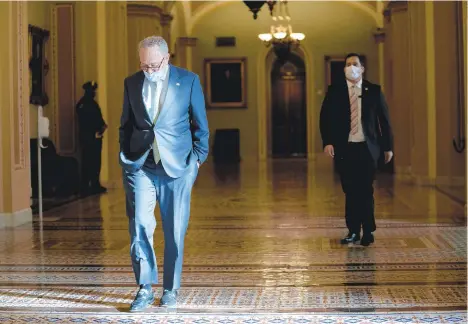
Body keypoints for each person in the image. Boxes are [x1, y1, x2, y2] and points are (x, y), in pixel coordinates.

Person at [118, 36, 209, 311]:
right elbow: (125, 124)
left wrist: (197, 160)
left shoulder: (189, 80)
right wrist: (125, 157)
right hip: (140, 165)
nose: (148, 71)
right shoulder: (131, 82)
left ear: (166, 58)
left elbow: (200, 125)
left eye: (153, 65)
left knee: (174, 229)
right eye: (144, 66)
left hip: (178, 166)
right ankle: (144, 288)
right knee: (140, 225)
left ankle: (170, 288)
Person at [319, 53, 394, 247]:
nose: (351, 67)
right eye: (347, 64)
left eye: (355, 64)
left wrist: (388, 147)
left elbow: (384, 122)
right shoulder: (335, 91)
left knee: (366, 190)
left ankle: (368, 231)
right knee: (350, 190)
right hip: (346, 148)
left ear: (362, 69)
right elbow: (325, 118)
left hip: (368, 149)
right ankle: (353, 230)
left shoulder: (374, 91)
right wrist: (328, 142)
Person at [76, 81, 107, 196]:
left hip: (86, 137)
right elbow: (97, 120)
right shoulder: (91, 104)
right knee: (93, 161)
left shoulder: (81, 104)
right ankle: (93, 184)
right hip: (93, 137)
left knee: (87, 161)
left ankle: (87, 185)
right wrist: (101, 127)